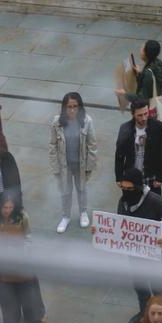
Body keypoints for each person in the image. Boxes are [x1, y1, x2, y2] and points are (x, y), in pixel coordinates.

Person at [118, 167, 162, 323]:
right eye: (123, 188)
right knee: (140, 286)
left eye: (129, 188)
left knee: (158, 289)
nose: (126, 191)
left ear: (137, 187)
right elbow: (118, 223)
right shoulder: (123, 201)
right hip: (134, 253)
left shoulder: (154, 200)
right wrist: (101, 231)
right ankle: (144, 312)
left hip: (154, 254)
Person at [0, 189, 46, 323]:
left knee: (30, 291)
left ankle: (36, 314)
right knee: (10, 319)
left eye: (10, 207)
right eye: (5, 207)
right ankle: (12, 315)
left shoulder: (22, 217)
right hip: (3, 263)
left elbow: (28, 239)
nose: (7, 210)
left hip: (21, 260)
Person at [50, 92, 98, 233]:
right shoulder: (56, 123)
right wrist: (55, 167)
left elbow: (92, 145)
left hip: (80, 164)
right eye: (69, 106)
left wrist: (89, 166)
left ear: (80, 107)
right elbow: (52, 146)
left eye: (75, 106)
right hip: (64, 164)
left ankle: (83, 212)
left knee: (82, 189)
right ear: (64, 108)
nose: (72, 109)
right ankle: (66, 216)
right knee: (65, 190)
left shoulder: (87, 121)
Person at [115, 99, 162, 196]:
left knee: (153, 206)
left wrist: (160, 177)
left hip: (151, 175)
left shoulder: (159, 128)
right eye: (140, 115)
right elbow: (119, 154)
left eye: (146, 113)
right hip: (132, 176)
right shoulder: (125, 129)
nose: (144, 118)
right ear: (133, 114)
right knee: (130, 203)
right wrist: (119, 177)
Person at [115, 40, 162, 119]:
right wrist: (140, 73)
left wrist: (124, 94)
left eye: (142, 49)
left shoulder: (148, 74)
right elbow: (155, 83)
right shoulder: (158, 63)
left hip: (147, 111)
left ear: (146, 53)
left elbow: (141, 99)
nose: (140, 50)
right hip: (156, 103)